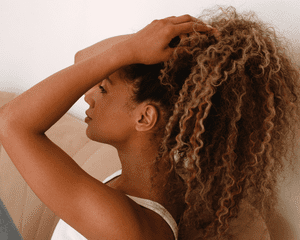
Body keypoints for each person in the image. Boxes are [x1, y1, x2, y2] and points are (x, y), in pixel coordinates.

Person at [0, 6, 300, 240]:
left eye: (103, 89)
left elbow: (11, 122)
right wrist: (150, 42)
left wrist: (128, 51)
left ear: (145, 118)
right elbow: (83, 59)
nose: (88, 96)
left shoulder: (124, 226)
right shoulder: (161, 175)